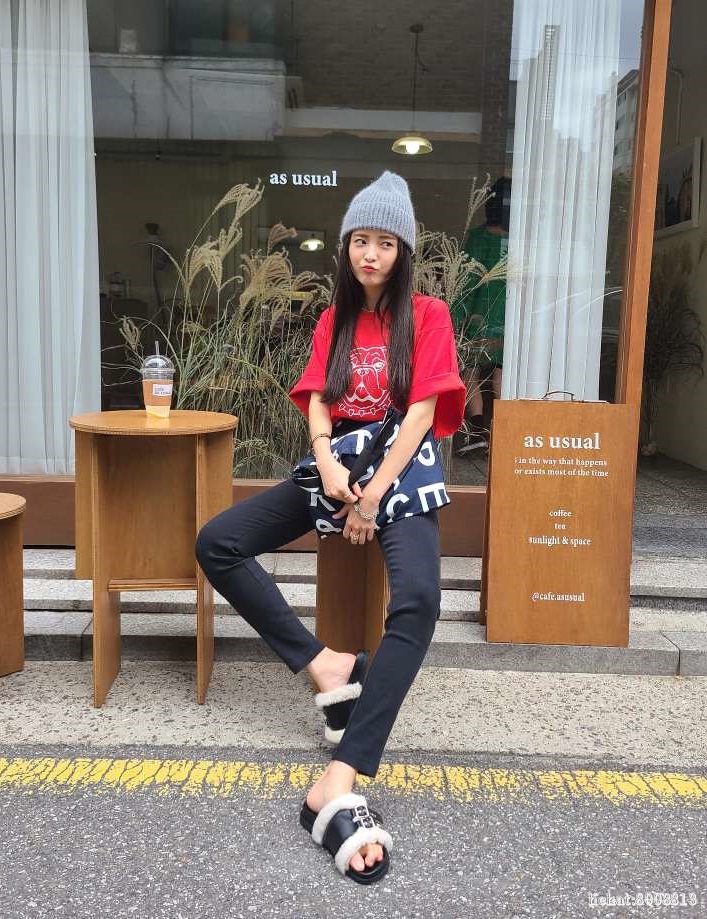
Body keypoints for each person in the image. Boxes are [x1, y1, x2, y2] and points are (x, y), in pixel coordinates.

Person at [195, 171, 466, 884]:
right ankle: (328, 667)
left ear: (403, 252)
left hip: (400, 468)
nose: (370, 254)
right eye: (360, 240)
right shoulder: (333, 320)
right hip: (339, 463)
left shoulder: (428, 314)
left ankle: (341, 776)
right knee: (218, 542)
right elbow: (317, 397)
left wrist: (372, 496)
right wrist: (326, 461)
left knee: (419, 600)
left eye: (385, 243)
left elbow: (420, 412)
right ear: (346, 247)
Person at [450, 176, 510, 454]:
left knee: (471, 371)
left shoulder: (477, 238)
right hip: (509, 315)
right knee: (502, 375)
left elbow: (465, 281)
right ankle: (506, 436)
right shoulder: (519, 239)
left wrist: (457, 316)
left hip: (480, 314)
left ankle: (477, 432)